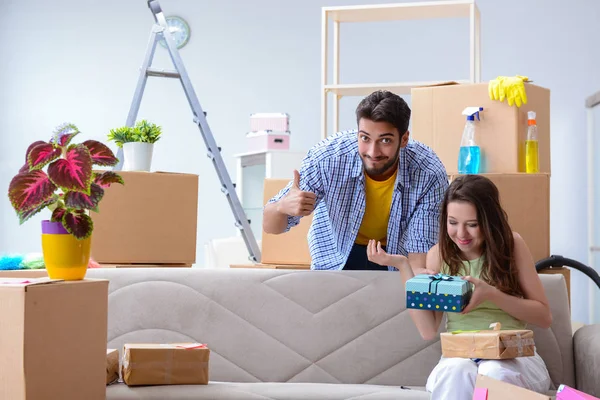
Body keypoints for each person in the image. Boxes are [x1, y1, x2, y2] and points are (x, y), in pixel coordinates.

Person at [366, 174, 552, 400]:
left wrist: (491, 294)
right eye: (453, 223)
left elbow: (544, 317)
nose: (461, 234)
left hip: (514, 357)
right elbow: (427, 330)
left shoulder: (512, 246)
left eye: (472, 225)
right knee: (457, 372)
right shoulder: (439, 255)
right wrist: (404, 267)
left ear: (488, 221)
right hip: (460, 356)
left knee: (492, 372)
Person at [263, 90, 448, 272]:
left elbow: (417, 258)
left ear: (404, 139)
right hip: (336, 257)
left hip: (395, 257)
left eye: (385, 141)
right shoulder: (328, 158)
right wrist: (281, 207)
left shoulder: (428, 172)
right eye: (365, 138)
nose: (372, 152)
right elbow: (270, 226)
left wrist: (421, 282)